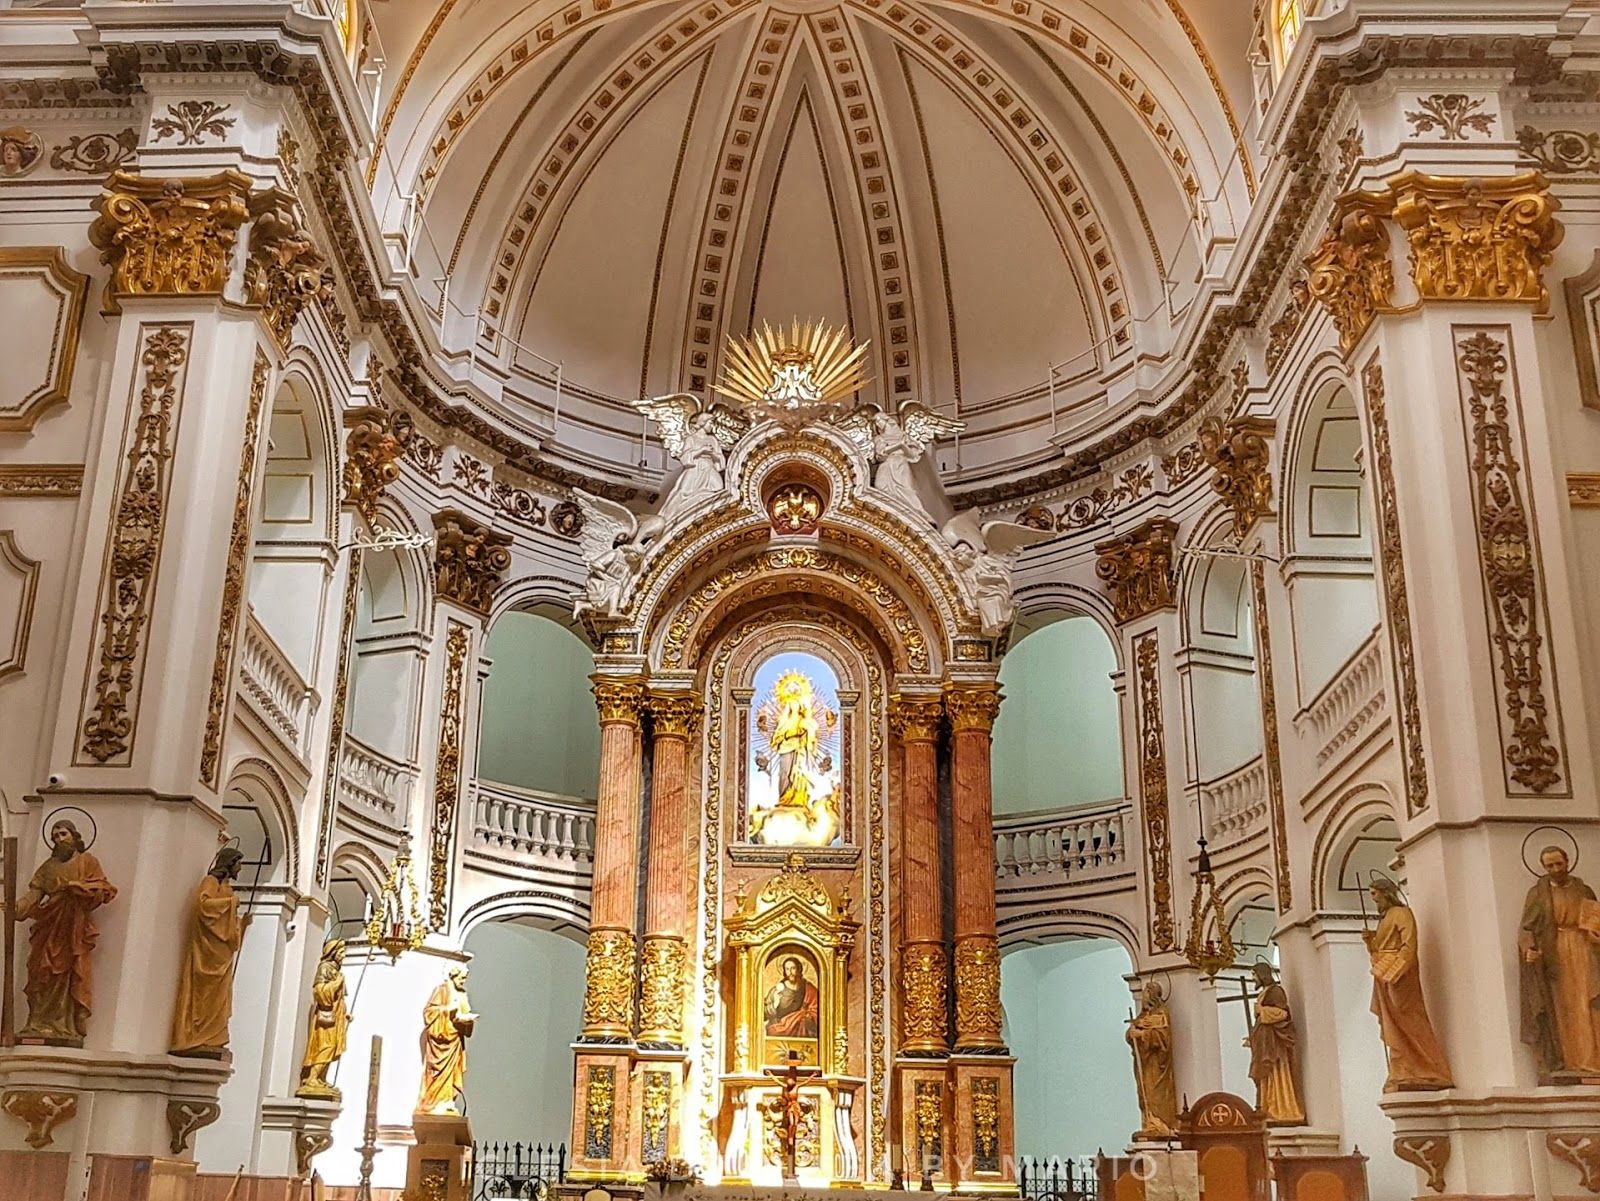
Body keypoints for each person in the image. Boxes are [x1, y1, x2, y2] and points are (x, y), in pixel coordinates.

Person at [14, 819, 117, 1044]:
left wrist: (78, 887)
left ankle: (64, 1025)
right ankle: (38, 1023)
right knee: (40, 971)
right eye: (55, 836)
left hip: (72, 927)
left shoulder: (87, 862)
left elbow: (104, 889)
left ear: (74, 836)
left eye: (63, 834)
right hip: (49, 925)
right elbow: (33, 895)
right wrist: (16, 908)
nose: (59, 839)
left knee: (67, 971)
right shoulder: (48, 867)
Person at [1363, 878, 1453, 1091]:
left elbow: (1408, 946)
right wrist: (1370, 941)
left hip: (1400, 975)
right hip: (1383, 974)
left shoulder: (1402, 913)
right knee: (1392, 1021)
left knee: (1408, 1017)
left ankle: (1429, 1068)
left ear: (1386, 892)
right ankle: (1403, 1067)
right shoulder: (1385, 918)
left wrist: (1396, 969)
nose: (1373, 899)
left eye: (1375, 894)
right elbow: (1380, 948)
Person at [1519, 844, 1600, 1079]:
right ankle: (1571, 1059)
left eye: (1559, 864)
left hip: (1585, 950)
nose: (1555, 869)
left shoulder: (1583, 890)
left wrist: (1595, 933)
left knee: (1589, 1002)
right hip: (1556, 954)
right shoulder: (1538, 894)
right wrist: (1529, 948)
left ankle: (1593, 1059)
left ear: (1567, 862)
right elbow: (1526, 927)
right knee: (1565, 1006)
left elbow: (1594, 918)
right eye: (1550, 866)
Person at [170, 847, 247, 1056]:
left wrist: (242, 924)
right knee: (204, 991)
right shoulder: (210, 882)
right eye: (238, 863)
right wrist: (231, 903)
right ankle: (196, 1034)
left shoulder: (228, 888)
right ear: (229, 863)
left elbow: (231, 926)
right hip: (208, 947)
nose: (240, 868)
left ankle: (213, 1036)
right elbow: (202, 906)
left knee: (220, 994)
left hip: (223, 950)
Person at [1246, 962, 1304, 1124]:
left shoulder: (1276, 991)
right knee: (1264, 1076)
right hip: (1263, 1042)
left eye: (1254, 975)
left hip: (1273, 1043)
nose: (1253, 978)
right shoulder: (1265, 992)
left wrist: (1261, 1011)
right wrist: (1253, 1037)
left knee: (1275, 1073)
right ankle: (1266, 1107)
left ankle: (1281, 1109)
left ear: (1262, 974)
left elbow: (1283, 1013)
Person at [417, 966, 476, 1115]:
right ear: (454, 976)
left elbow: (466, 1014)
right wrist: (448, 1011)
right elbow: (429, 1013)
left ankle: (447, 1101)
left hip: (455, 1042)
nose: (463, 981)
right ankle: (433, 1103)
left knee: (451, 1074)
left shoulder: (462, 994)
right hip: (440, 1041)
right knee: (436, 1073)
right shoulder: (441, 990)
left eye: (465, 979)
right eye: (461, 978)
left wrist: (467, 1021)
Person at [297, 939, 350, 1099]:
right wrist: (336, 983)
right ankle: (312, 1078)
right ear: (333, 953)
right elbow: (319, 991)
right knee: (326, 1045)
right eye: (341, 952)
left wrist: (344, 1014)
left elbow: (340, 998)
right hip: (326, 1017)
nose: (343, 955)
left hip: (336, 1016)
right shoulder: (325, 968)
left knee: (332, 1046)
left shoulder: (335, 970)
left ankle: (320, 1078)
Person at [1126, 979, 1179, 1137]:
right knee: (1144, 1092)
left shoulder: (1161, 1014)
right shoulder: (1143, 1015)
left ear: (1152, 995)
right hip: (1144, 1062)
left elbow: (1163, 1038)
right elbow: (1132, 1033)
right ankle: (1149, 1122)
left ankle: (1160, 1124)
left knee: (1156, 1092)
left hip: (1157, 1064)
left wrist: (1142, 1034)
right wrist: (1131, 1034)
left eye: (1146, 994)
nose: (1143, 997)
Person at [764, 956, 820, 1039]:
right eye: (787, 969)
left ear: (799, 969)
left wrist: (805, 1016)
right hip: (780, 1028)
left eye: (793, 968)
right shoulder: (777, 990)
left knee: (804, 1022)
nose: (790, 972)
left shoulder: (808, 989)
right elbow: (763, 1014)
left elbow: (819, 1010)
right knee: (772, 1031)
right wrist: (774, 1005)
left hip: (803, 1030)